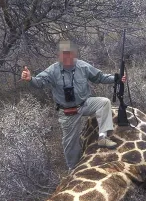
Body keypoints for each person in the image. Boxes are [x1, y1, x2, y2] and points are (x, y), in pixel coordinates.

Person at [21, 40, 126, 170]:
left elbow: (100, 77)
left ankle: (102, 137)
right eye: (64, 54)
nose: (68, 57)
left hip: (84, 104)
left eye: (70, 54)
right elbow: (39, 82)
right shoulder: (53, 70)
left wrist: (116, 78)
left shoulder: (83, 66)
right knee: (70, 143)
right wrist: (30, 79)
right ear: (60, 56)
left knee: (104, 102)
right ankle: (73, 169)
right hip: (67, 111)